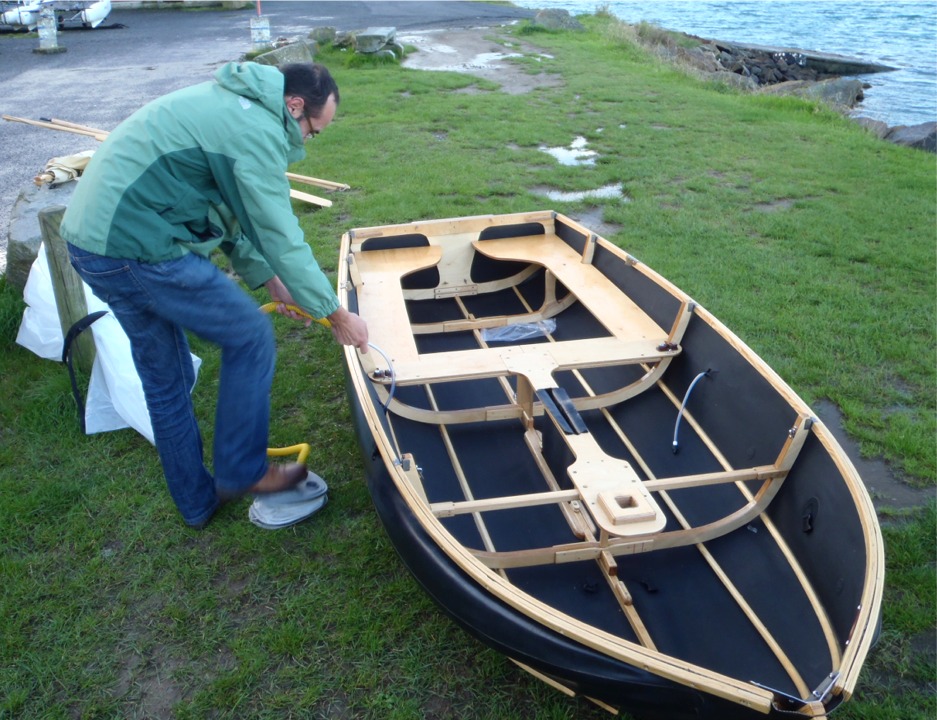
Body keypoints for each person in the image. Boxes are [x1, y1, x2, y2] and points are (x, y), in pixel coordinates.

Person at [61, 61, 369, 529]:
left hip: (93, 244)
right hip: (135, 246)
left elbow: (229, 208)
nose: (308, 141)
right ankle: (243, 471)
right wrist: (335, 313)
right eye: (313, 131)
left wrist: (269, 278)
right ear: (294, 105)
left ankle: (198, 503)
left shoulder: (232, 106)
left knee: (169, 377)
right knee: (250, 335)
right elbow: (278, 230)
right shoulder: (255, 129)